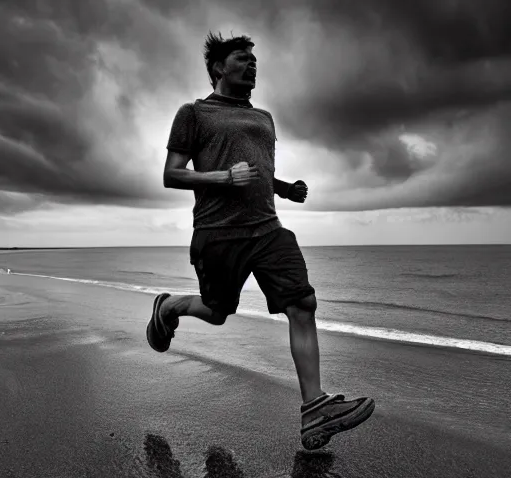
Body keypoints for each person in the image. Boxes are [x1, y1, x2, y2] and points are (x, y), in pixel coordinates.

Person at [147, 32, 375, 450]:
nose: (252, 64)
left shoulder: (265, 118)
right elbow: (171, 174)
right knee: (217, 312)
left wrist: (285, 189)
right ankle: (171, 306)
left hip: (268, 230)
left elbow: (260, 172)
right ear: (218, 67)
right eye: (241, 58)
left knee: (302, 304)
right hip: (218, 234)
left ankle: (314, 410)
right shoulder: (193, 113)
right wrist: (222, 177)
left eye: (254, 59)